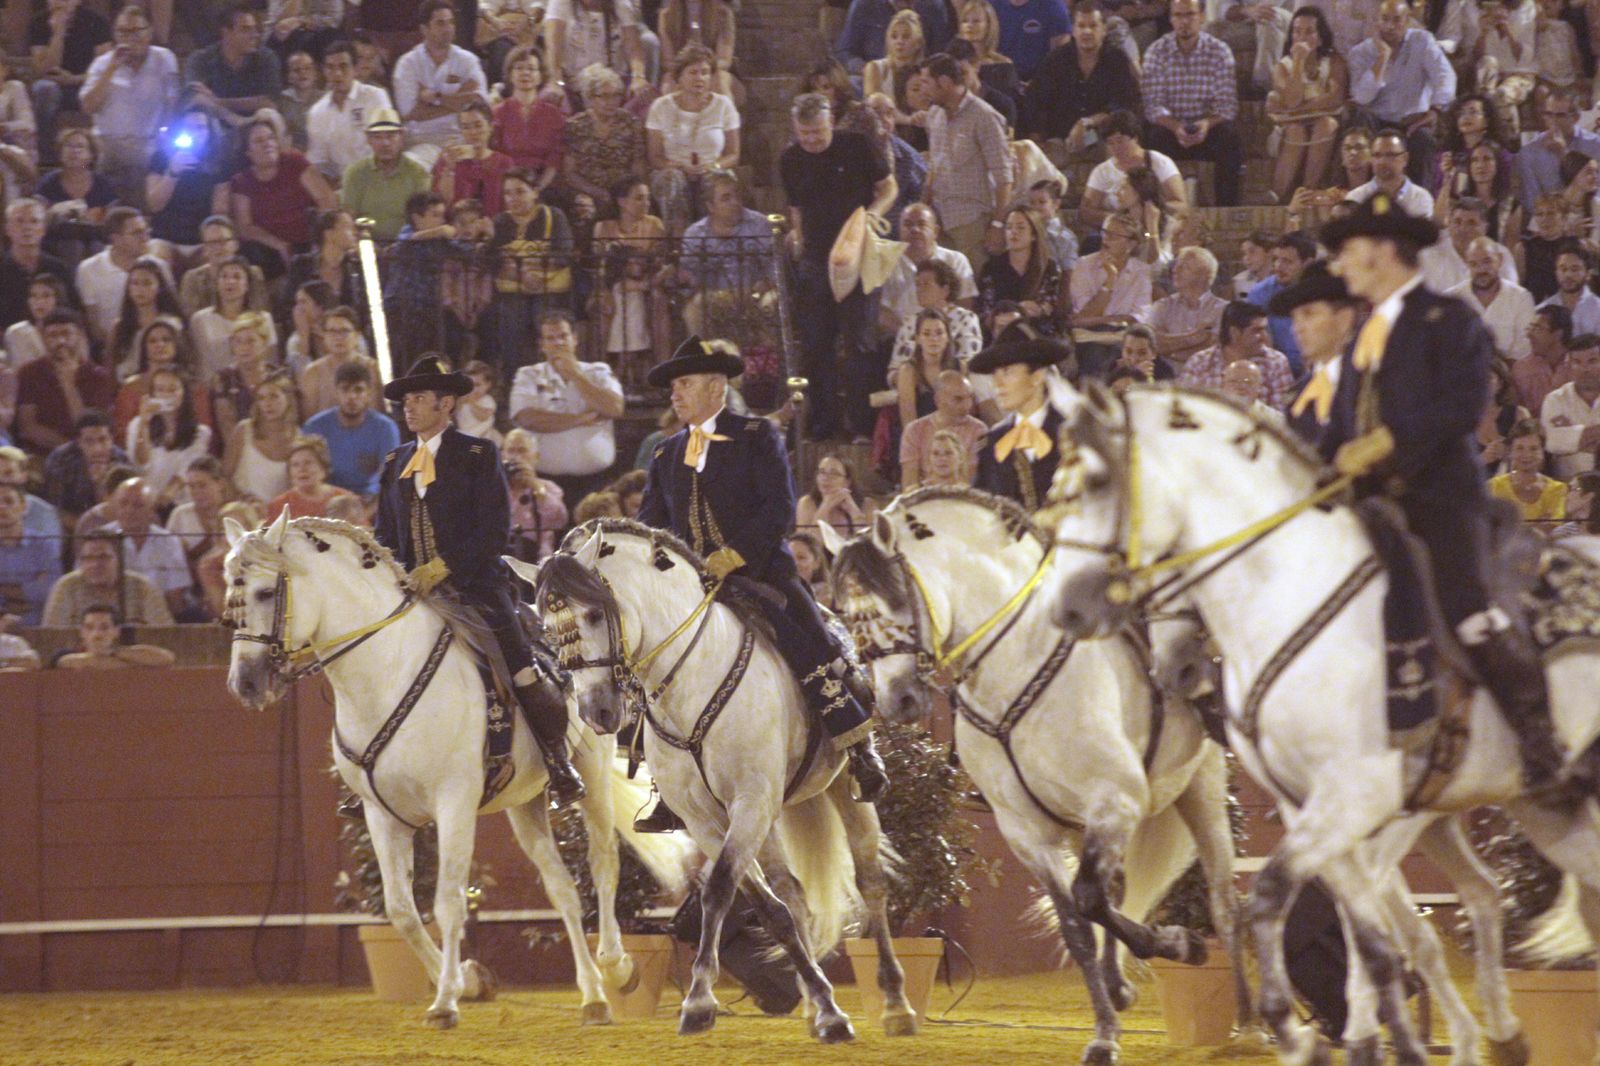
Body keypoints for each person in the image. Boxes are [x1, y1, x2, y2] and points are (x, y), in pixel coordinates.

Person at [1320, 194, 1567, 794]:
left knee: (1466, 608)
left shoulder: (1450, 321)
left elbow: (1459, 409)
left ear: (1382, 254)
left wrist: (1382, 447)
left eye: (1348, 253)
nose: (1339, 268)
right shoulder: (1362, 333)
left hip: (1441, 498)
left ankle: (1538, 735)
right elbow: (1342, 423)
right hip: (1371, 504)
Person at [633, 335, 888, 833]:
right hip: (695, 589)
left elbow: (777, 507)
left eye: (683, 384)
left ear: (715, 387)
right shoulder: (666, 454)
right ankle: (662, 785)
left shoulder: (755, 435)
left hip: (760, 572)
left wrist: (735, 554)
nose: (674, 394)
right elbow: (651, 525)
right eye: (674, 387)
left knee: (811, 639)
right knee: (646, 659)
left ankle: (859, 747)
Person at [374, 354, 585, 808]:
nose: (408, 407)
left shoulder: (476, 453)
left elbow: (493, 530)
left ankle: (556, 761)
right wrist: (396, 574)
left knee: (519, 665)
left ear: (445, 403)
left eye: (419, 398)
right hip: (413, 593)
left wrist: (445, 566)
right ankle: (376, 767)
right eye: (406, 399)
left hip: (473, 587)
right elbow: (384, 534)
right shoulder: (396, 461)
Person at [779, 92, 896, 441]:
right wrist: (798, 238)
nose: (812, 140)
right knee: (817, 343)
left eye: (817, 132)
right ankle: (824, 422)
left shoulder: (857, 145)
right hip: (816, 259)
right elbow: (796, 207)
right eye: (805, 134)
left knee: (859, 340)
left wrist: (872, 216)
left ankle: (862, 425)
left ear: (829, 122)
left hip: (858, 252)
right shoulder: (790, 158)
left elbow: (888, 187)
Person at [509, 310, 626, 504]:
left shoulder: (598, 371)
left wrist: (575, 375)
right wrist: (582, 418)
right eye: (551, 338)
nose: (559, 343)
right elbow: (527, 419)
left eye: (563, 336)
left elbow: (615, 408)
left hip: (597, 483)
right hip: (545, 483)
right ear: (542, 345)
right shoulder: (528, 375)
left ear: (574, 338)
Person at [1346, 0, 1456, 190]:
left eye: (1397, 20)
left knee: (1424, 140)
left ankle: (1423, 209)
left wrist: (1435, 109)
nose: (1390, 26)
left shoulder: (1423, 41)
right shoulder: (1360, 53)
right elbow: (1362, 97)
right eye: (1385, 19)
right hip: (1376, 121)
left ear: (1407, 21)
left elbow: (1445, 76)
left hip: (1411, 121)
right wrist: (1382, 56)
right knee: (1361, 123)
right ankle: (1361, 199)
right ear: (1376, 21)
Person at [1142, 0, 1243, 206]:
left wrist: (1206, 124)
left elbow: (1227, 105)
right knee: (1151, 139)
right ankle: (1156, 210)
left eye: (1190, 15)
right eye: (1178, 16)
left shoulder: (1219, 51)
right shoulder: (1157, 51)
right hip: (1170, 129)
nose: (1184, 22)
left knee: (1230, 140)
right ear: (1171, 19)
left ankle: (1226, 210)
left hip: (1208, 128)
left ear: (1202, 17)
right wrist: (1176, 126)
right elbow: (1153, 105)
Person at [79, 5, 178, 203]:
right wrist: (111, 68)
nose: (129, 38)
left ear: (149, 32)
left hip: (147, 145)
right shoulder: (102, 63)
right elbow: (88, 106)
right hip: (109, 146)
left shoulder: (164, 59)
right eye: (123, 32)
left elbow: (172, 102)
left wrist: (165, 134)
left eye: (136, 31)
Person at [922, 53, 1012, 273]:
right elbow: (934, 167)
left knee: (973, 286)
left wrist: (998, 226)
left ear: (944, 83)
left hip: (972, 223)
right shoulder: (934, 115)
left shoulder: (985, 117)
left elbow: (1004, 178)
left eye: (926, 82)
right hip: (939, 220)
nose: (923, 89)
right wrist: (924, 205)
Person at [646, 44, 741, 235]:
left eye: (705, 72)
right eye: (693, 72)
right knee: (673, 181)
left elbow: (733, 154)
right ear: (679, 78)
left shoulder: (723, 105)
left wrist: (712, 167)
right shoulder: (661, 106)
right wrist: (679, 167)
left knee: (717, 182)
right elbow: (655, 157)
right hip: (672, 170)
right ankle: (680, 246)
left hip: (711, 168)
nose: (700, 78)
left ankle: (716, 241)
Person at [971, 325, 1069, 512]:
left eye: (1007, 372)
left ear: (1037, 377)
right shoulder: (993, 443)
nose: (997, 383)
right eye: (995, 374)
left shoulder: (1073, 435)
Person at [1023, 1, 1141, 150]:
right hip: (1059, 137)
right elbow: (1036, 100)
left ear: (1104, 29)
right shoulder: (1056, 59)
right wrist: (1037, 139)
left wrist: (1088, 122)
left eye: (1093, 26)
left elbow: (1123, 105)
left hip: (1104, 136)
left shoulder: (1117, 60)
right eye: (1081, 26)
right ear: (1073, 30)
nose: (1087, 32)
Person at [390, 0, 488, 170]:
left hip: (461, 137)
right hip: (422, 139)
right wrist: (459, 101)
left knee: (472, 168)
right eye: (440, 23)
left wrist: (435, 97)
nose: (448, 28)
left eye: (451, 22)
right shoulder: (407, 64)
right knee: (412, 168)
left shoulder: (467, 60)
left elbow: (479, 105)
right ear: (424, 29)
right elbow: (410, 113)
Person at [1267, 6, 1348, 204]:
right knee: (1296, 131)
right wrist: (1298, 63)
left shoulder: (1335, 62)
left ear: (1320, 38)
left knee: (1325, 125)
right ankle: (1277, 198)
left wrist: (1294, 109)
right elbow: (1293, 99)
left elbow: (1335, 99)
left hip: (1326, 125)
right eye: (1297, 31)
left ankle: (1307, 195)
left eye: (1309, 31)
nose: (1301, 36)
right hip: (1289, 128)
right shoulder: (1282, 67)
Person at [15, 310, 117, 456]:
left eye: (66, 334)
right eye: (53, 335)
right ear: (43, 338)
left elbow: (91, 426)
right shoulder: (29, 373)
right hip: (42, 455)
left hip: (90, 454)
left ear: (80, 335)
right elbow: (28, 427)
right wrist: (68, 447)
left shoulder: (98, 376)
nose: (60, 341)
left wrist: (69, 385)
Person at [1069, 213, 1154, 378]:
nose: (1106, 239)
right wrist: (1111, 278)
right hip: (1090, 337)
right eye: (1105, 232)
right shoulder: (1084, 265)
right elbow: (1085, 314)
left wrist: (1099, 319)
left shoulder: (1141, 271)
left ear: (1130, 244)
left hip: (1126, 337)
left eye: (1113, 236)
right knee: (1097, 360)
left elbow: (1140, 317)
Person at [301, 361, 401, 497]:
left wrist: (365, 508)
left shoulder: (386, 428)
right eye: (345, 389)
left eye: (358, 390)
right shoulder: (314, 427)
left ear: (369, 393)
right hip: (324, 500)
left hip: (371, 502)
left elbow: (390, 476)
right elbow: (304, 472)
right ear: (335, 392)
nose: (351, 396)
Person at [1078, 110, 1187, 231]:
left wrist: (1146, 211)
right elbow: (1086, 212)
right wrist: (1120, 221)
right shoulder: (1102, 171)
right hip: (1117, 234)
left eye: (1120, 141)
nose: (1116, 148)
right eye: (1110, 143)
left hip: (1155, 229)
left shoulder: (1160, 163)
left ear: (1135, 137)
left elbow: (1181, 206)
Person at [306, 39, 396, 184]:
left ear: (355, 69)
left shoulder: (375, 97)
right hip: (341, 185)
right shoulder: (317, 112)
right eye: (330, 67)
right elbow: (319, 163)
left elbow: (388, 145)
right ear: (324, 71)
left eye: (343, 66)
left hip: (378, 178)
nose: (337, 73)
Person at [1178, 300, 1296, 409]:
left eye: (1265, 329)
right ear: (1234, 333)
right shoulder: (1199, 363)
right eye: (1256, 331)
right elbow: (1184, 409)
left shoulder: (1276, 362)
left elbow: (1283, 416)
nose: (1264, 337)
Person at [43, 530, 174, 626]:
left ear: (120, 559)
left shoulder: (143, 587)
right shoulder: (66, 586)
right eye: (88, 558)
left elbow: (164, 633)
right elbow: (52, 636)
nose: (95, 565)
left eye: (103, 557)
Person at [560, 64, 647, 209]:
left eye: (615, 95)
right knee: (585, 208)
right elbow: (569, 173)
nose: (611, 102)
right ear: (590, 97)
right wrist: (597, 192)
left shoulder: (631, 123)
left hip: (623, 191)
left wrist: (631, 193)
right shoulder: (575, 126)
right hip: (587, 191)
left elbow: (638, 166)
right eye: (604, 96)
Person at [339, 108, 432, 242]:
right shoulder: (355, 172)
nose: (385, 143)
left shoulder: (417, 173)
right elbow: (349, 217)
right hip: (365, 244)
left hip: (407, 244)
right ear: (369, 140)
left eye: (390, 136)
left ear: (401, 138)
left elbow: (422, 219)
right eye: (377, 137)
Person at [127, 367, 213, 504]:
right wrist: (144, 423)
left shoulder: (201, 433)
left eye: (173, 390)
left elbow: (184, 473)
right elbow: (140, 462)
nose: (166, 395)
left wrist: (165, 499)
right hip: (144, 501)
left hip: (178, 502)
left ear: (184, 393)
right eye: (160, 390)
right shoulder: (137, 425)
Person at [977, 206, 1063, 337]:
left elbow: (1049, 306)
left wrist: (1027, 312)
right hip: (1001, 334)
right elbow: (985, 309)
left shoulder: (1048, 267)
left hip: (1038, 333)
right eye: (1009, 227)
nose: (1013, 232)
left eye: (1020, 227)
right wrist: (1009, 313)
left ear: (1034, 235)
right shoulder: (991, 267)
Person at [1448, 238, 1535, 361]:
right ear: (1466, 264)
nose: (1481, 270)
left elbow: (1524, 351)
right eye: (1473, 264)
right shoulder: (1452, 299)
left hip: (1508, 375)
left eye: (1487, 262)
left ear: (1500, 260)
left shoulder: (1521, 298)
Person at [491, 45, 565, 187]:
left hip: (544, 182)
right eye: (519, 68)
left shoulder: (554, 114)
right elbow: (495, 157)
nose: (525, 73)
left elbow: (555, 159)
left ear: (540, 76)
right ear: (510, 74)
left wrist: (538, 188)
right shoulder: (497, 113)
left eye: (531, 69)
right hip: (507, 182)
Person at [0, 199, 75, 334]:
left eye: (34, 221)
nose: (27, 227)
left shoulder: (58, 268)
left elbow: (73, 312)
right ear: (8, 229)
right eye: (19, 221)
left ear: (43, 229)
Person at [222, 370, 298, 503]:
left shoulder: (298, 437)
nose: (267, 403)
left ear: (288, 398)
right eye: (261, 398)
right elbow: (224, 476)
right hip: (244, 510)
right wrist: (242, 499)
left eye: (273, 396)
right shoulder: (244, 430)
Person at [900, 368, 985, 487]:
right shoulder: (914, 430)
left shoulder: (979, 431)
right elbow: (909, 485)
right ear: (938, 400)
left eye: (969, 397)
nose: (967, 405)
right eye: (958, 399)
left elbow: (971, 481)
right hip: (924, 500)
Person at [41, 410, 127, 527]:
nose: (97, 449)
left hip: (110, 528)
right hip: (69, 529)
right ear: (79, 442)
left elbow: (121, 511)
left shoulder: (120, 460)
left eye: (103, 440)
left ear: (111, 439)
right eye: (89, 441)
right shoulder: (61, 460)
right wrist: (85, 529)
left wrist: (100, 485)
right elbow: (53, 510)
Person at [1247, 232, 1317, 375]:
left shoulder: (1322, 293)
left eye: (1287, 261)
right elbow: (1259, 345)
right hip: (1274, 371)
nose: (1278, 266)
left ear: (1308, 263)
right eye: (1276, 260)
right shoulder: (1260, 294)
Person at [1146, 246, 1228, 366]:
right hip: (1166, 379)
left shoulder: (1223, 310)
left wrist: (1171, 351)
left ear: (1204, 275)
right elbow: (1151, 344)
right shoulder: (1163, 306)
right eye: (1176, 265)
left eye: (1184, 267)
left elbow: (1214, 351)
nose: (1175, 270)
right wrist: (1194, 337)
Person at [1515, 89, 1600, 204]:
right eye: (1549, 114)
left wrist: (1564, 155)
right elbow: (1532, 202)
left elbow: (1596, 191)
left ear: (1576, 118)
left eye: (1560, 115)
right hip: (1549, 217)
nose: (1553, 121)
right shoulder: (1529, 153)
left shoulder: (1595, 145)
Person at [433, 100, 514, 215]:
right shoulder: (448, 160)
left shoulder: (504, 162)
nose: (473, 132)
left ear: (490, 127)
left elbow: (509, 205)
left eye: (478, 125)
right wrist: (450, 169)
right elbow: (441, 203)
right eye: (466, 127)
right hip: (457, 227)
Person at [179, 216, 270, 319]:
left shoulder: (253, 273)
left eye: (223, 241)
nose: (218, 248)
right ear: (204, 249)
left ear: (235, 245)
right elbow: (190, 320)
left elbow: (260, 312)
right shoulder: (192, 279)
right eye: (212, 243)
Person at [833, 0, 951, 75]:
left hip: (918, 76)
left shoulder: (933, 5)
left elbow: (940, 53)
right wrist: (866, 70)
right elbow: (844, 51)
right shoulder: (864, 4)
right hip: (875, 75)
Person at [0, 481, 61, 626]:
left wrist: (3, 591)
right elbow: (36, 591)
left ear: (23, 506)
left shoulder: (44, 545)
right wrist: (27, 592)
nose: (2, 507)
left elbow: (49, 589)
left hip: (38, 629)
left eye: (8, 501)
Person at [1540, 333, 1600, 478]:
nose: (1584, 369)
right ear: (1568, 366)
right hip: (1567, 489)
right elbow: (1553, 442)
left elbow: (1562, 441)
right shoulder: (1555, 400)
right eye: (1577, 362)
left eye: (1592, 361)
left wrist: (1572, 436)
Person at [1488, 419, 1568, 521]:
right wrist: (1540, 523)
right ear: (1510, 451)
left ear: (1543, 452)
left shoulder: (1558, 489)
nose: (1527, 455)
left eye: (1533, 448)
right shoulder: (1494, 487)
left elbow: (1553, 528)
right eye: (1520, 448)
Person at [55, 604, 176, 669]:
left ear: (116, 631)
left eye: (104, 627)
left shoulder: (124, 653)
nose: (97, 634)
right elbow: (69, 662)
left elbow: (167, 658)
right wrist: (134, 665)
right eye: (89, 627)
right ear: (81, 632)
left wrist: (112, 653)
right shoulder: (65, 655)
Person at [1514, 304, 1573, 413]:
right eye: (1530, 328)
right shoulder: (1522, 368)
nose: (1529, 334)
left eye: (1538, 328)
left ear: (1558, 334)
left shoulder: (1579, 364)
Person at [1537, 243, 1600, 338]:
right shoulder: (1543, 310)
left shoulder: (1597, 308)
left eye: (1575, 269)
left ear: (1588, 274)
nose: (1568, 275)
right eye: (1563, 269)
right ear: (1556, 272)